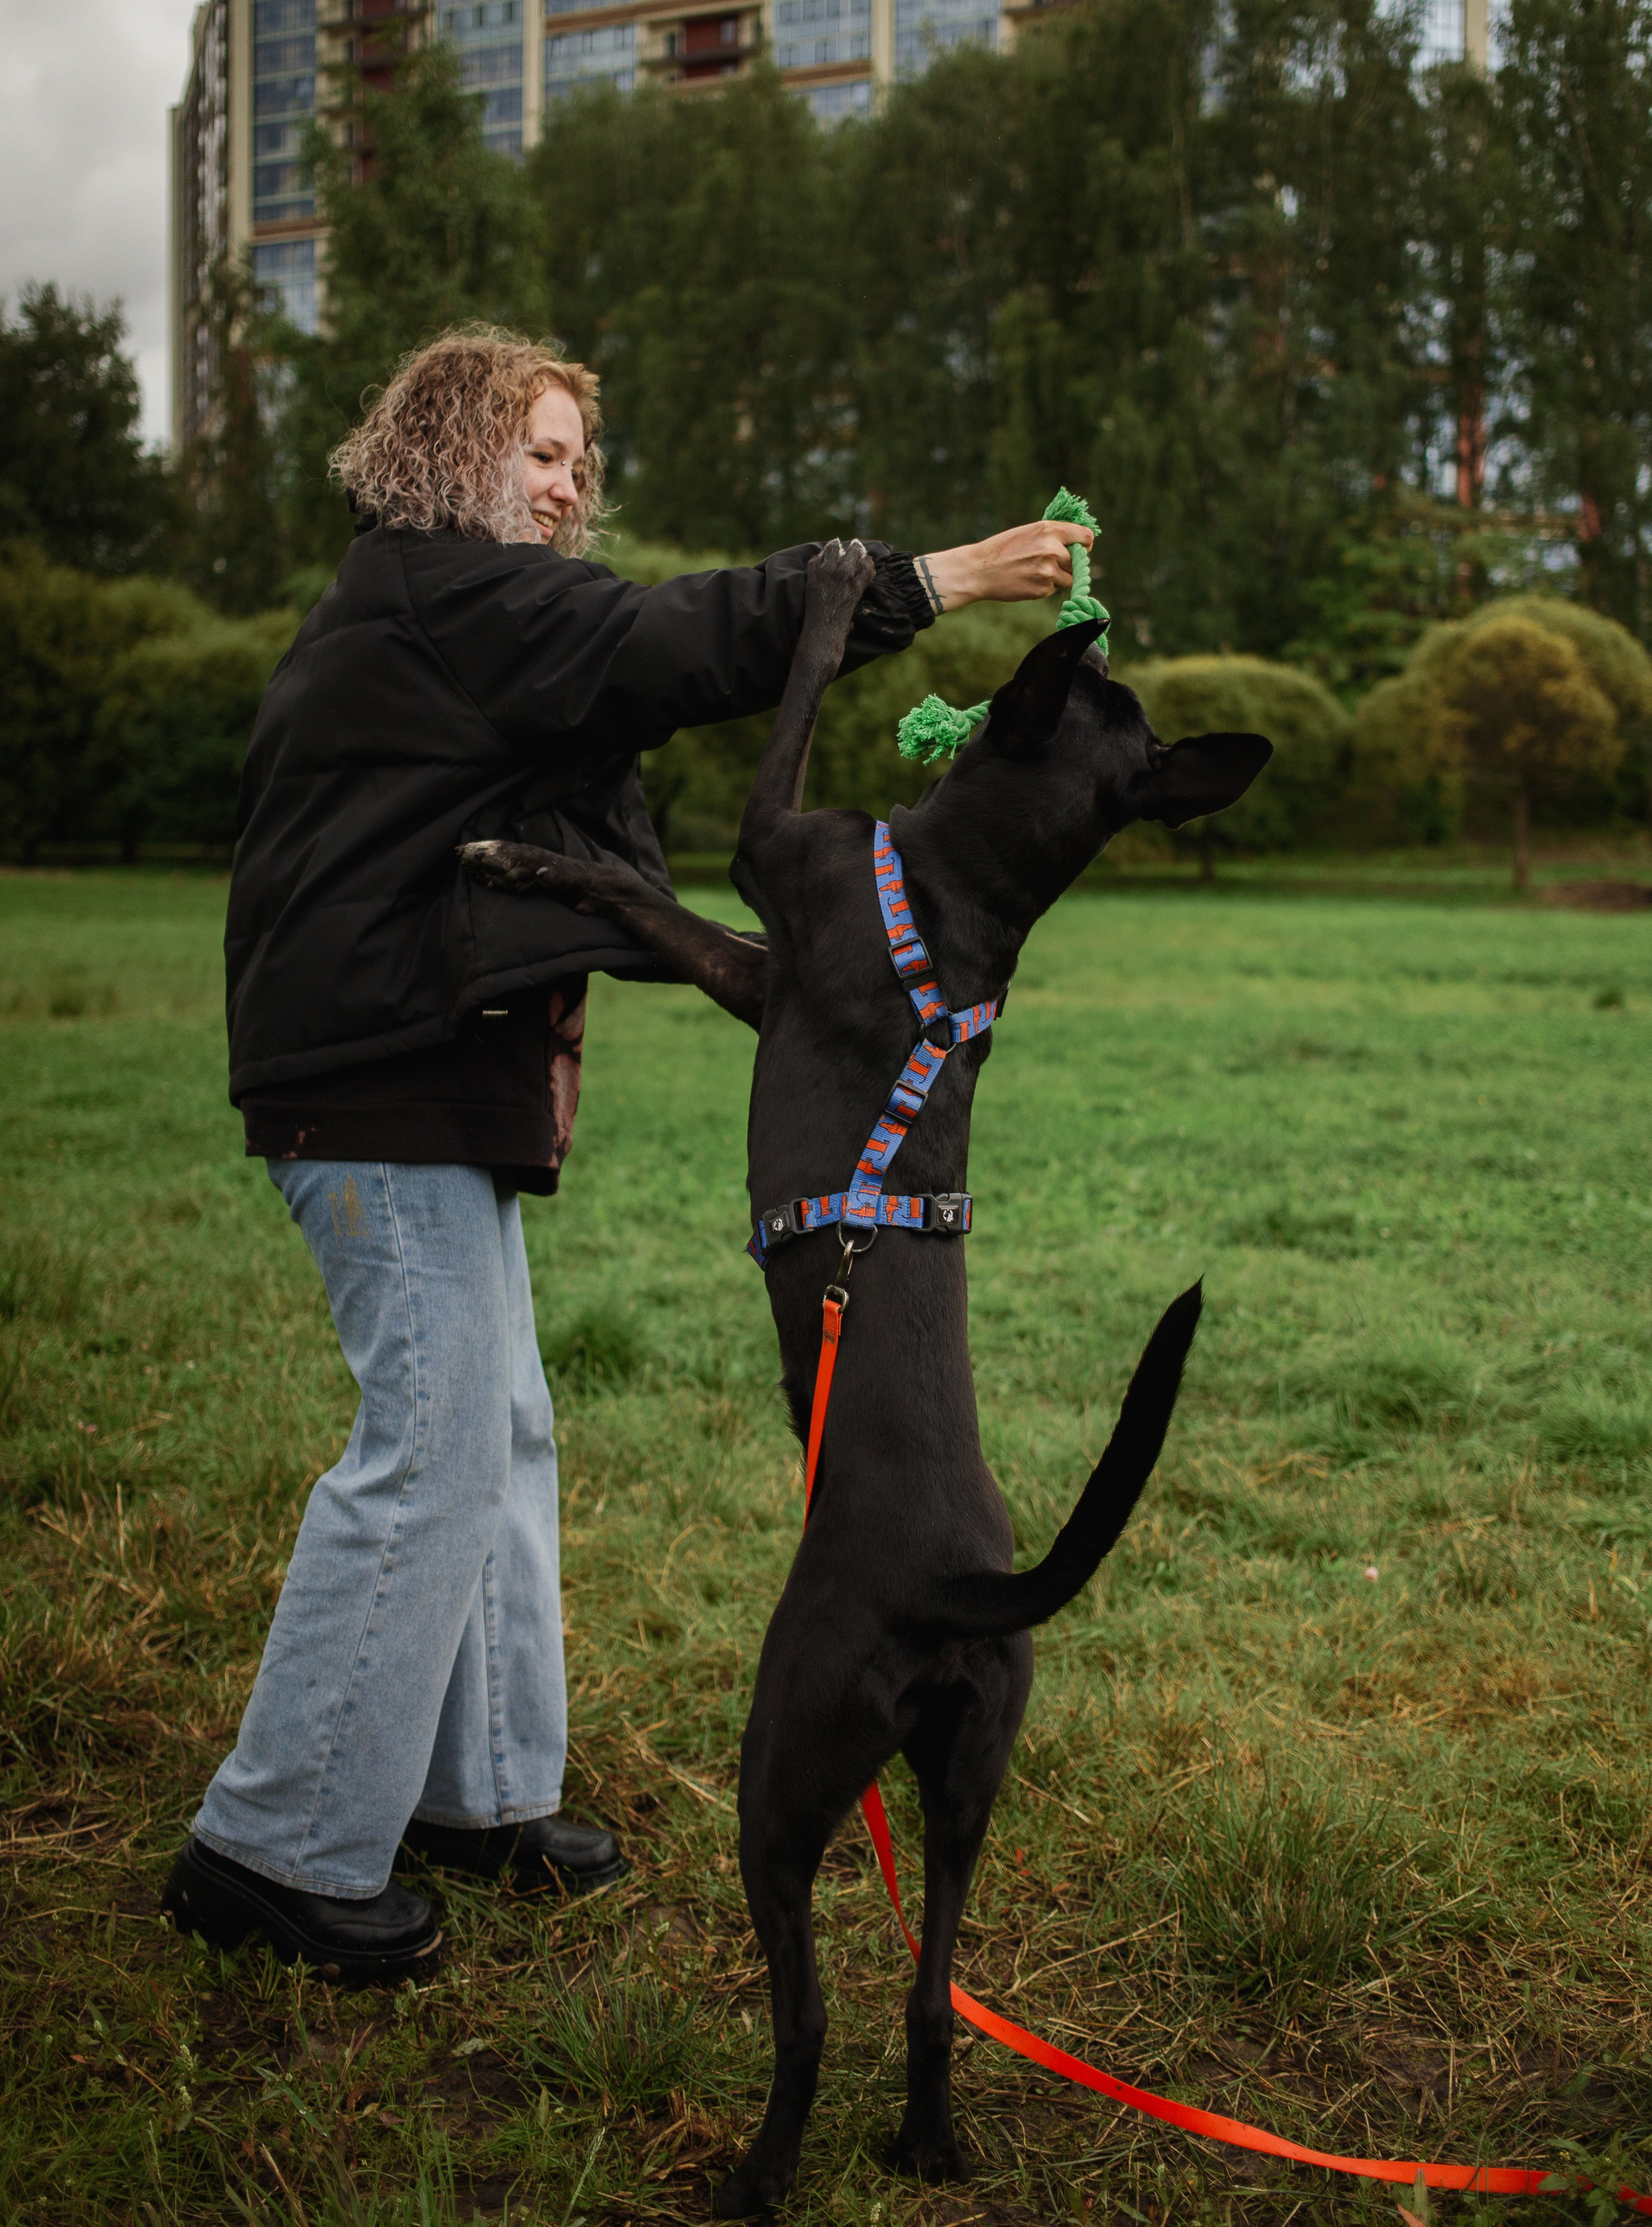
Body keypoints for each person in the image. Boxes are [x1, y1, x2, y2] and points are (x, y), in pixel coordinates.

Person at [159, 325, 1094, 1986]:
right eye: (538, 448)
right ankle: (274, 1848)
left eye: (580, 456)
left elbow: (584, 795)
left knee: (501, 1430)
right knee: (436, 1440)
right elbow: (685, 635)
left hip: (425, 1077)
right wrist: (932, 580)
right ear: (451, 458)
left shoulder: (469, 631)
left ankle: (480, 1793)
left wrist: (640, 1006)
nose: (569, 478)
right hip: (371, 1082)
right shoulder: (439, 593)